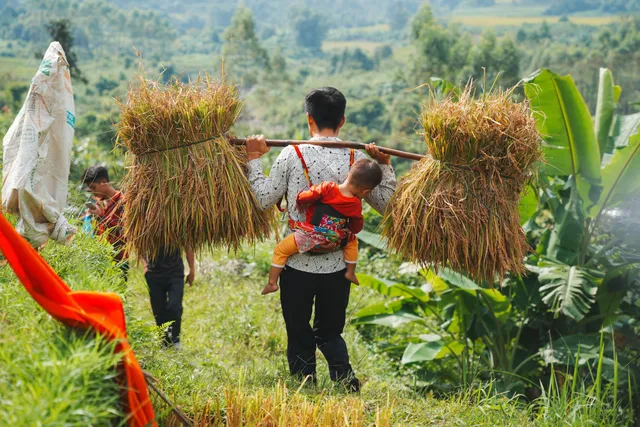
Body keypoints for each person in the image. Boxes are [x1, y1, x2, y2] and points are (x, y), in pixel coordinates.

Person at [246, 87, 396, 392]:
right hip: (339, 266)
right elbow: (387, 205)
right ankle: (344, 380)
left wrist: (252, 160)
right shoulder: (357, 158)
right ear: (342, 121)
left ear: (309, 119)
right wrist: (385, 164)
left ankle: (305, 384)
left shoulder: (291, 153)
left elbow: (263, 199)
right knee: (330, 331)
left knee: (298, 328)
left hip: (297, 263)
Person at [262, 159, 383, 295]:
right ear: (366, 191)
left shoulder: (327, 188)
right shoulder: (355, 205)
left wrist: (303, 196)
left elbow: (303, 198)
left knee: (281, 251)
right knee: (352, 241)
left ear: (348, 175)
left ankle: (272, 283)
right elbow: (356, 228)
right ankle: (350, 272)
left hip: (309, 237)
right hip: (334, 240)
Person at [142, 247, 195, 349]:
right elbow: (139, 243)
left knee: (174, 307)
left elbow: (188, 246)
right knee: (159, 309)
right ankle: (164, 341)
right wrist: (145, 266)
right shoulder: (147, 230)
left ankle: (175, 340)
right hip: (154, 273)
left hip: (175, 272)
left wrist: (192, 269)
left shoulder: (179, 230)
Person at [81, 165, 128, 279]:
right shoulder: (98, 204)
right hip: (101, 259)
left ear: (104, 182)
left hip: (121, 259)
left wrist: (101, 217)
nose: (92, 192)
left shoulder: (124, 201)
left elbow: (124, 229)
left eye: (93, 187)